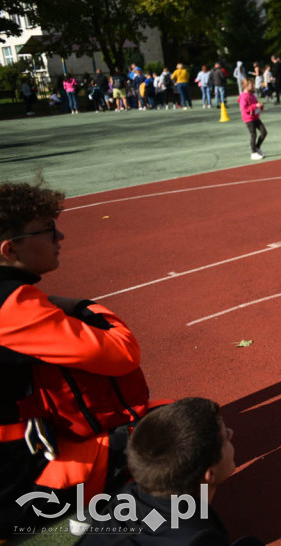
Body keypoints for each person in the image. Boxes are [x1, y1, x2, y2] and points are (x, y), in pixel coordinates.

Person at [0, 182, 152, 534]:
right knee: (181, 436)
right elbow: (121, 353)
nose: (61, 236)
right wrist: (85, 306)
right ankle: (101, 525)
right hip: (15, 481)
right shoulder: (13, 307)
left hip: (21, 453)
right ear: (9, 249)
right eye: (47, 230)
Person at [78, 397, 261, 545]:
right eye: (225, 437)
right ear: (209, 474)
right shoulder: (196, 538)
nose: (231, 433)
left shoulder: (133, 496)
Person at [238, 79, 267, 161]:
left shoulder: (252, 95)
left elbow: (255, 104)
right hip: (248, 118)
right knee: (253, 134)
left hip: (255, 117)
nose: (253, 86)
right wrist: (255, 106)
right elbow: (244, 109)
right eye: (251, 85)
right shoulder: (243, 96)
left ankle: (257, 148)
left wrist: (260, 106)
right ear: (246, 86)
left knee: (264, 132)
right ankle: (253, 152)